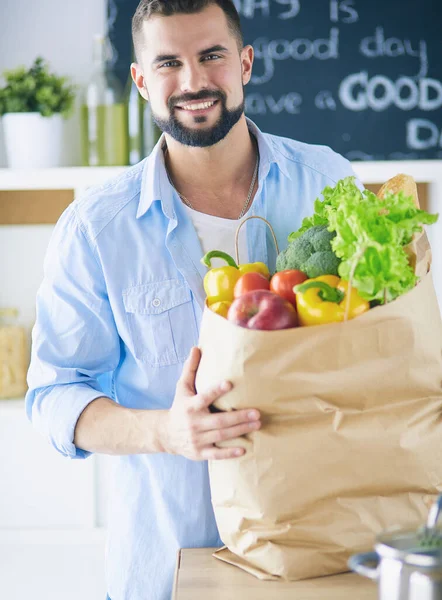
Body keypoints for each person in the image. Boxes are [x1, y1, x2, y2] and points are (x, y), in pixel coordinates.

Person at [25, 1, 360, 598]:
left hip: (318, 558)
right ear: (140, 80)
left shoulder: (328, 183)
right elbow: (54, 395)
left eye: (211, 56)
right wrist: (166, 432)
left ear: (245, 63)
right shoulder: (96, 227)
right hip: (163, 568)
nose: (194, 81)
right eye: (168, 63)